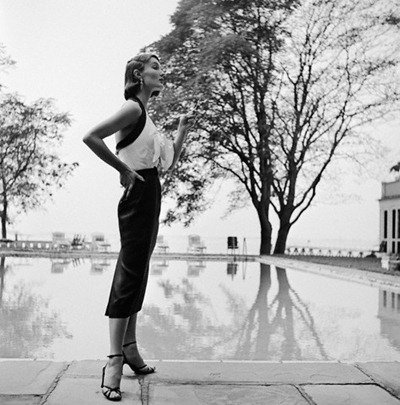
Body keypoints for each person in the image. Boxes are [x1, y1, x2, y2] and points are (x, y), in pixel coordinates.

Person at [83, 53, 194, 401]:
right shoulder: (132, 109)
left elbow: (168, 163)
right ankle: (114, 361)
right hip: (137, 194)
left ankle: (130, 348)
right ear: (138, 74)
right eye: (155, 68)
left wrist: (181, 133)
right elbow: (92, 137)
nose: (161, 73)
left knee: (140, 272)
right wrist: (123, 170)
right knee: (129, 272)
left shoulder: (148, 116)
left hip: (152, 192)